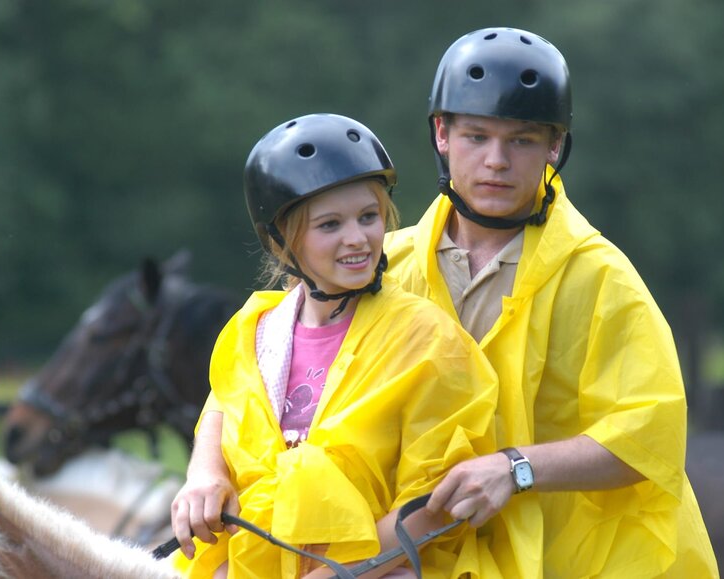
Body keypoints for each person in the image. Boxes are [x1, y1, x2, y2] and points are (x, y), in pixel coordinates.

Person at [383, 28, 719, 577]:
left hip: (580, 563)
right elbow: (277, 379)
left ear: (554, 147)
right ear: (442, 134)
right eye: (476, 137)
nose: (496, 160)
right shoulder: (383, 271)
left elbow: (651, 435)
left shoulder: (600, 276)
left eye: (521, 141)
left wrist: (515, 468)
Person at [170, 113, 508, 578]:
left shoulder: (428, 339)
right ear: (282, 240)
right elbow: (226, 403)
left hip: (384, 568)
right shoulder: (257, 329)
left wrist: (335, 574)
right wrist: (204, 473)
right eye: (329, 225)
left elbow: (434, 503)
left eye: (368, 217)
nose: (357, 238)